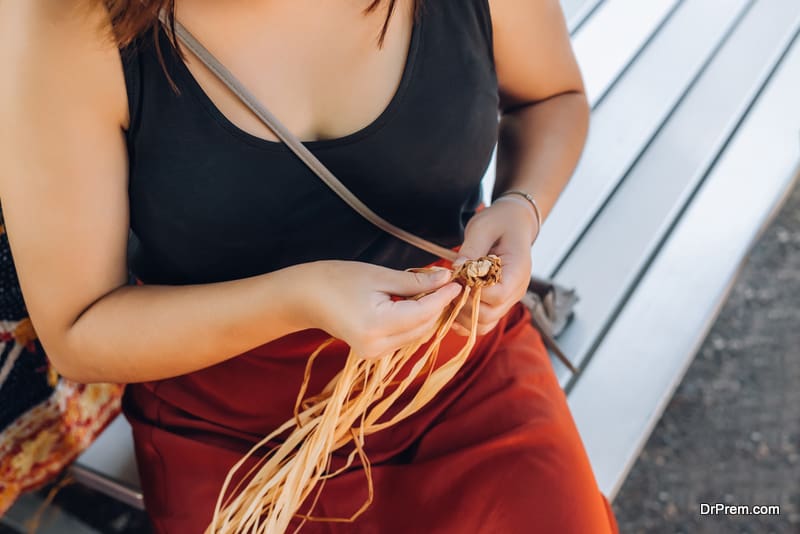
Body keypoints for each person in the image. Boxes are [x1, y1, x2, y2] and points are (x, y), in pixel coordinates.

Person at [0, 0, 619, 532]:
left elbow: (553, 96)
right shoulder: (65, 22)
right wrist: (298, 298)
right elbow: (80, 330)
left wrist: (521, 205)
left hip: (457, 371)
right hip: (236, 429)